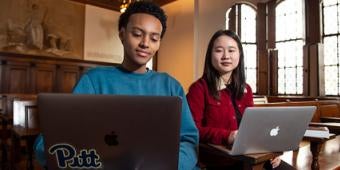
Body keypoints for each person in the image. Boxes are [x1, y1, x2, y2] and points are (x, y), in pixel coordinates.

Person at [33, 1, 199, 170]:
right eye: (137, 34)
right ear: (122, 34)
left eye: (154, 38)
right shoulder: (94, 80)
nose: (145, 43)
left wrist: (170, 166)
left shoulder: (170, 86)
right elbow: (56, 136)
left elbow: (188, 141)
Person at [186, 30, 294, 169]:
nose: (226, 56)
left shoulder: (246, 89)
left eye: (231, 50)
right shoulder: (199, 89)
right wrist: (228, 136)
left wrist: (270, 150)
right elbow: (193, 130)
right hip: (222, 161)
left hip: (252, 157)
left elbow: (253, 127)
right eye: (219, 50)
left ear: (239, 55)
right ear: (210, 55)